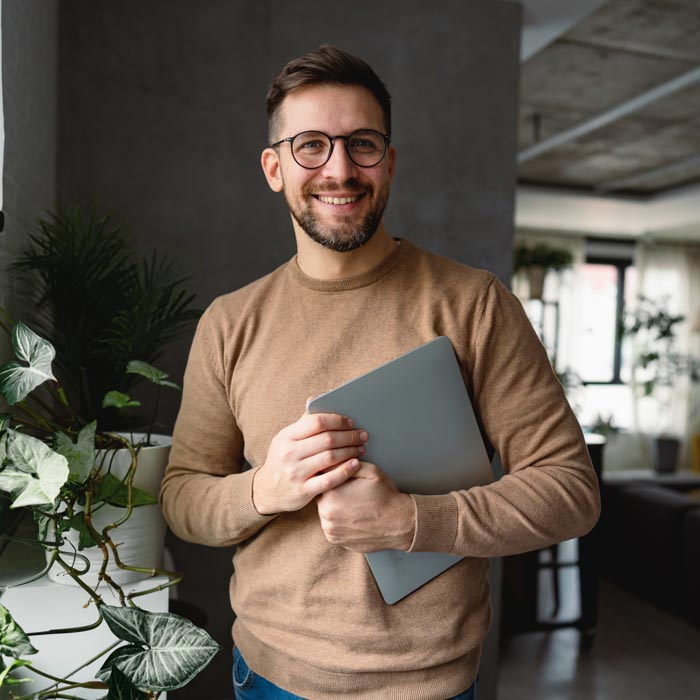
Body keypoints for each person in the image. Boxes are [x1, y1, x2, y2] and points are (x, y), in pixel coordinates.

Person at [160, 44, 600, 700]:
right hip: (268, 678)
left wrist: (409, 522)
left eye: (362, 144)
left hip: (431, 688)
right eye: (311, 145)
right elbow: (181, 498)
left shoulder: (473, 304)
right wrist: (263, 489)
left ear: (388, 163)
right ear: (273, 168)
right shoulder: (230, 322)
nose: (340, 169)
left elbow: (570, 491)